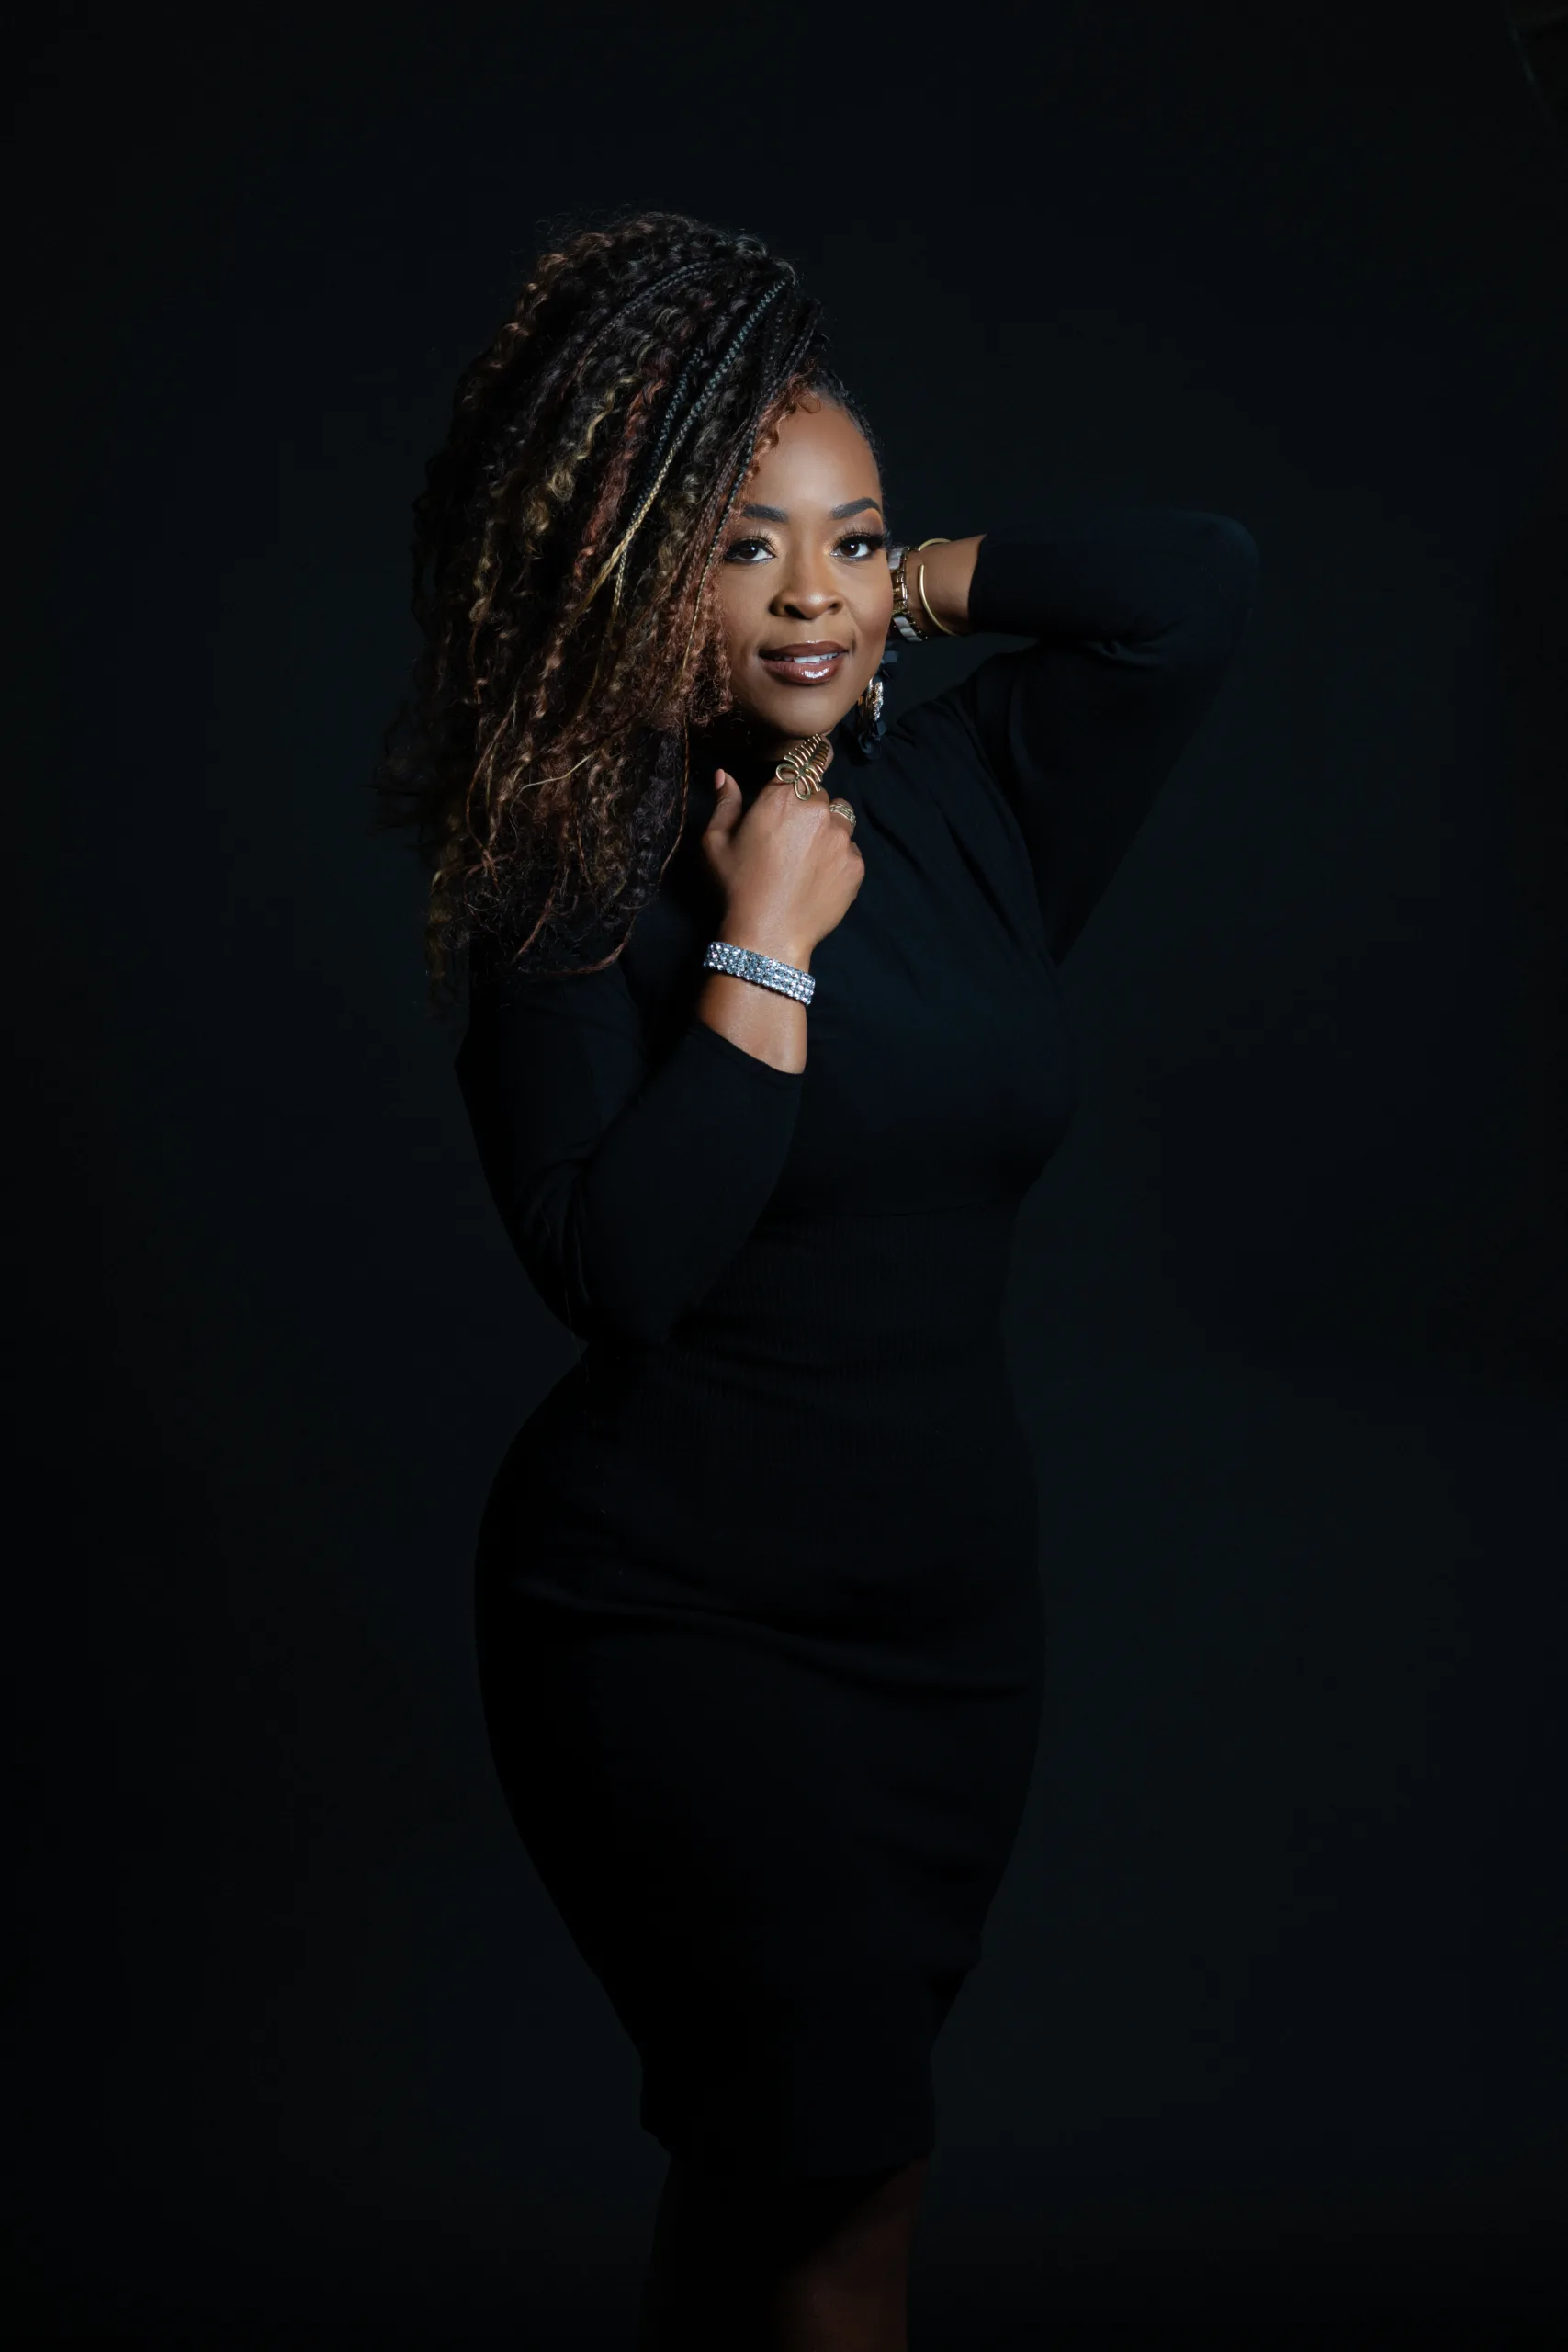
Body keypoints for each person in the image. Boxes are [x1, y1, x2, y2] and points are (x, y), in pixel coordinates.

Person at [376, 210, 1259, 2352]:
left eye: (845, 545)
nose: (809, 593)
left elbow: (1192, 582)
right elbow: (623, 1268)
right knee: (831, 2189)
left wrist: (912, 583)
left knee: (794, 2200)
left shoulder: (968, 801)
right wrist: (760, 947)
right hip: (680, 1625)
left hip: (943, 1623)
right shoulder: (567, 865)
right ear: (636, 564)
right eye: (744, 543)